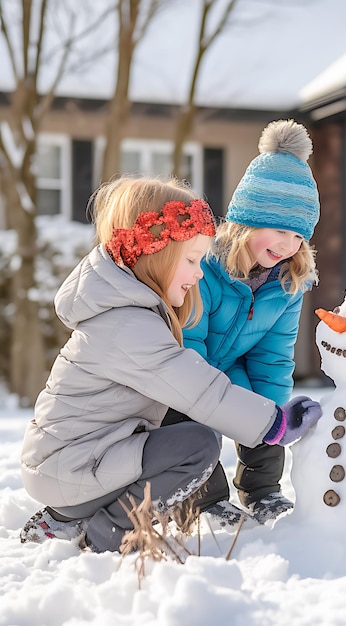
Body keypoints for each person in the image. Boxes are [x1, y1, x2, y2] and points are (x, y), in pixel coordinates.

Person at [19, 175, 322, 553]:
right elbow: (198, 390)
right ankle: (104, 533)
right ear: (155, 254)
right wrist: (273, 423)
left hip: (83, 459)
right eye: (192, 260)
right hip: (70, 467)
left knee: (187, 439)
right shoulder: (127, 324)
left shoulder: (132, 310)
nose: (199, 272)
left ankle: (72, 518)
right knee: (196, 445)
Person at [163, 119, 320, 526]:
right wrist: (213, 402)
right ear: (247, 219)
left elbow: (273, 357)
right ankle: (203, 500)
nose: (288, 245)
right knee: (189, 416)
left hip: (230, 368)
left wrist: (270, 419)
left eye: (299, 236)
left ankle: (263, 492)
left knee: (266, 403)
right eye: (279, 229)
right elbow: (188, 342)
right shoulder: (206, 268)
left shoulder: (288, 284)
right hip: (182, 368)